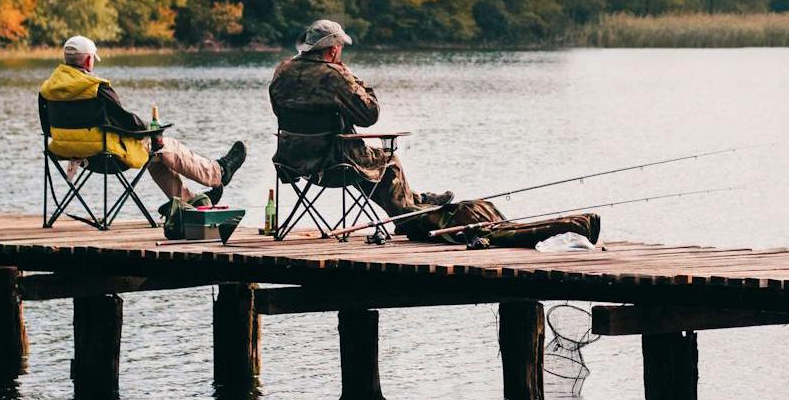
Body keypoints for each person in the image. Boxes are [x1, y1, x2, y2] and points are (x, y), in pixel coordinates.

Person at [268, 19, 598, 248]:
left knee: (375, 167)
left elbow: (280, 109)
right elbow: (369, 115)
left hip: (295, 163)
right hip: (333, 162)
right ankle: (413, 214)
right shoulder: (333, 75)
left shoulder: (282, 71)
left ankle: (417, 203)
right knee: (388, 163)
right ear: (334, 50)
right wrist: (352, 78)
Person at [40, 36, 245, 230]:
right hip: (106, 155)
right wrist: (150, 130)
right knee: (164, 146)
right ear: (88, 59)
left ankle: (189, 202)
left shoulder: (48, 89)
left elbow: (46, 128)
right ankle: (218, 172)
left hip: (68, 153)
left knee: (156, 156)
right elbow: (127, 121)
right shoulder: (95, 88)